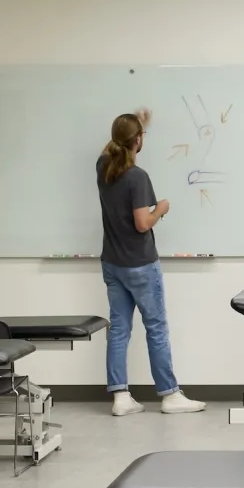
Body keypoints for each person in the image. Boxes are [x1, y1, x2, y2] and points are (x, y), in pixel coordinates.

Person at [97, 110, 204, 416]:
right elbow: (143, 223)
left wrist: (137, 126)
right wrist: (162, 208)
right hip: (141, 265)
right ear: (139, 141)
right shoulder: (136, 176)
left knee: (119, 329)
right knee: (156, 327)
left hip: (112, 263)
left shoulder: (103, 166)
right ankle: (170, 395)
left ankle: (120, 397)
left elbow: (114, 146)